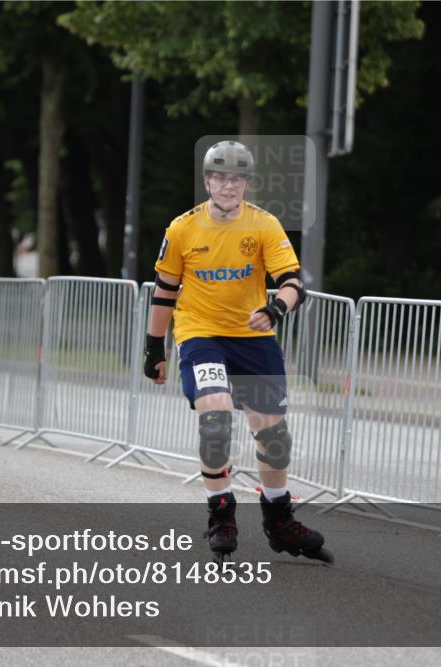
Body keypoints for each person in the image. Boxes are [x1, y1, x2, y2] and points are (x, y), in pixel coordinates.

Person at [143, 140, 332, 564]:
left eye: (236, 178)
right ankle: (221, 512)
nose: (228, 186)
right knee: (215, 417)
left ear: (246, 183)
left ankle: (279, 517)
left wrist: (275, 308)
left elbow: (292, 282)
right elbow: (165, 291)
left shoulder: (264, 225)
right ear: (207, 181)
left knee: (273, 435)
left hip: (252, 335)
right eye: (220, 177)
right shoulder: (182, 229)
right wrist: (155, 346)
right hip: (200, 333)